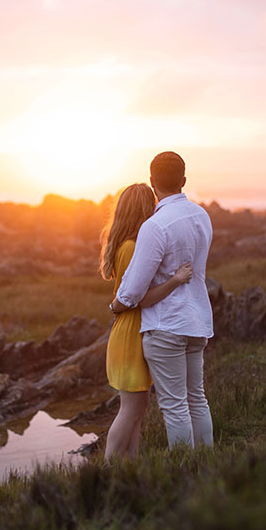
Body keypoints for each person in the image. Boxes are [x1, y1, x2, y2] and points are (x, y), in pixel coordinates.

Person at [112, 151, 214, 449]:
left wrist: (115, 305)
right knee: (197, 398)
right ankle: (206, 463)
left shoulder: (154, 226)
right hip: (197, 321)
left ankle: (183, 471)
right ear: (183, 180)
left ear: (152, 182)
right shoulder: (201, 216)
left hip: (165, 327)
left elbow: (131, 293)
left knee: (174, 406)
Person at [100, 183, 194, 459]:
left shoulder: (128, 244)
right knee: (130, 409)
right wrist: (176, 280)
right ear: (144, 208)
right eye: (151, 204)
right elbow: (136, 298)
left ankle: (130, 470)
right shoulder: (130, 247)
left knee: (138, 411)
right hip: (130, 336)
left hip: (130, 332)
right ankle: (108, 469)